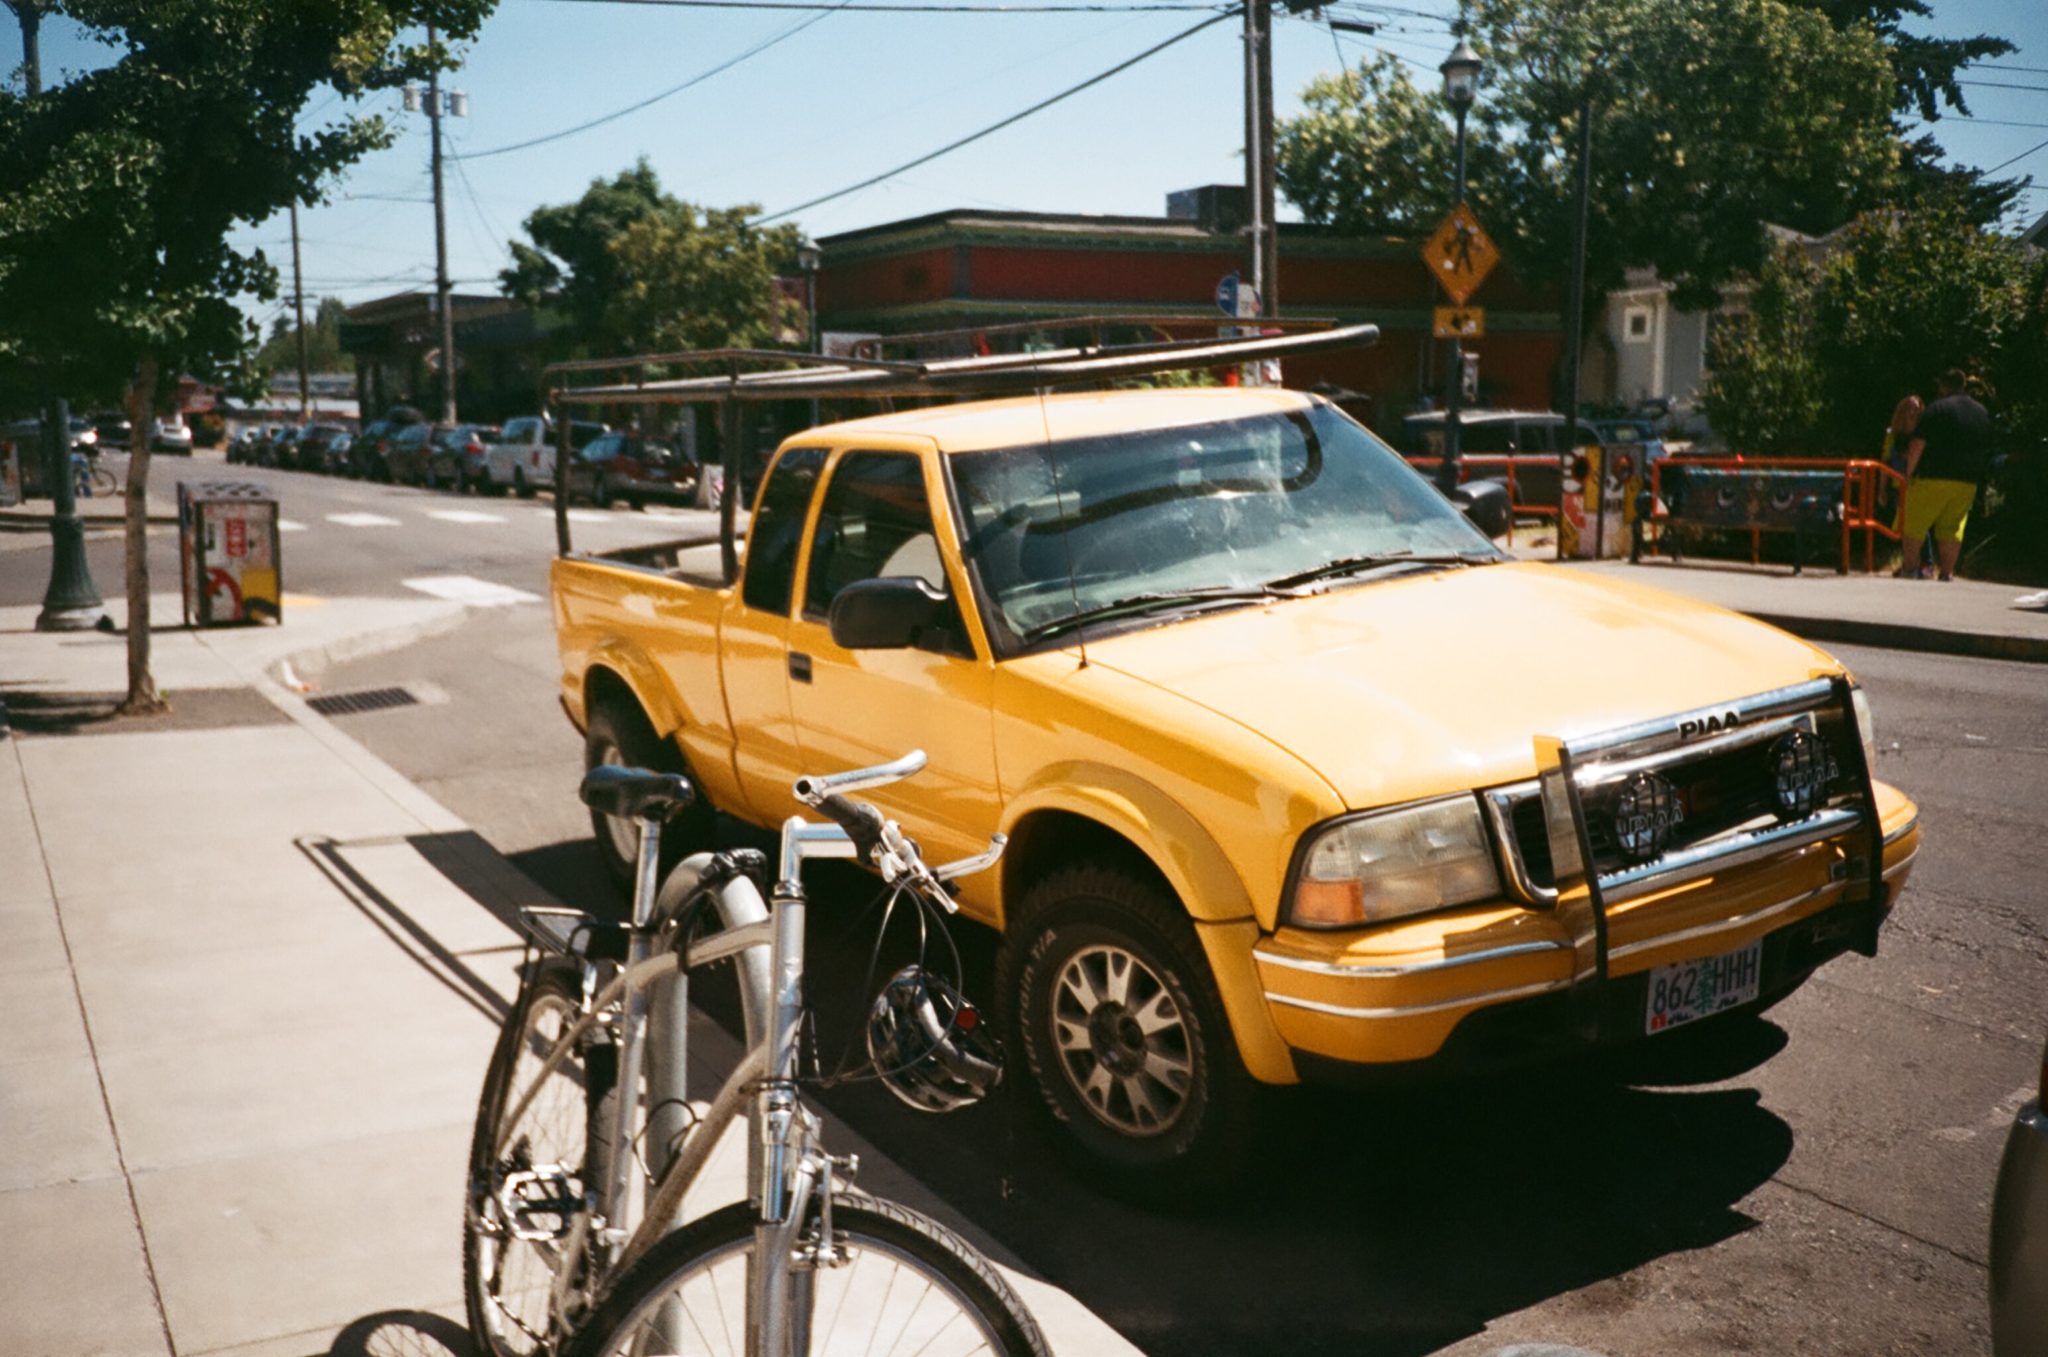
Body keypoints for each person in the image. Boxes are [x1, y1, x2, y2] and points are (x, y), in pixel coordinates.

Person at [1898, 369, 1992, 582]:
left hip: (1932, 477)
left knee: (1915, 524)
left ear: (1944, 386)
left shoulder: (1936, 409)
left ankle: (1910, 570)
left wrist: (1909, 472)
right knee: (1951, 529)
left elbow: (1917, 443)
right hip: (1967, 481)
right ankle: (1947, 573)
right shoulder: (1981, 412)